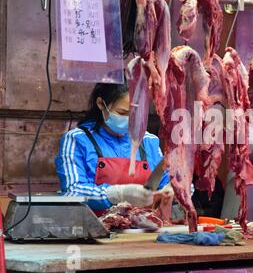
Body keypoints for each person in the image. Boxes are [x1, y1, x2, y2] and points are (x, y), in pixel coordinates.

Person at [55, 82, 171, 216]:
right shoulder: (77, 139)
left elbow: (167, 181)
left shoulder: (147, 140)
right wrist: (117, 194)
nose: (129, 119)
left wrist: (174, 190)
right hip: (96, 229)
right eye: (122, 112)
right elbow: (72, 191)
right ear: (100, 103)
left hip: (142, 230)